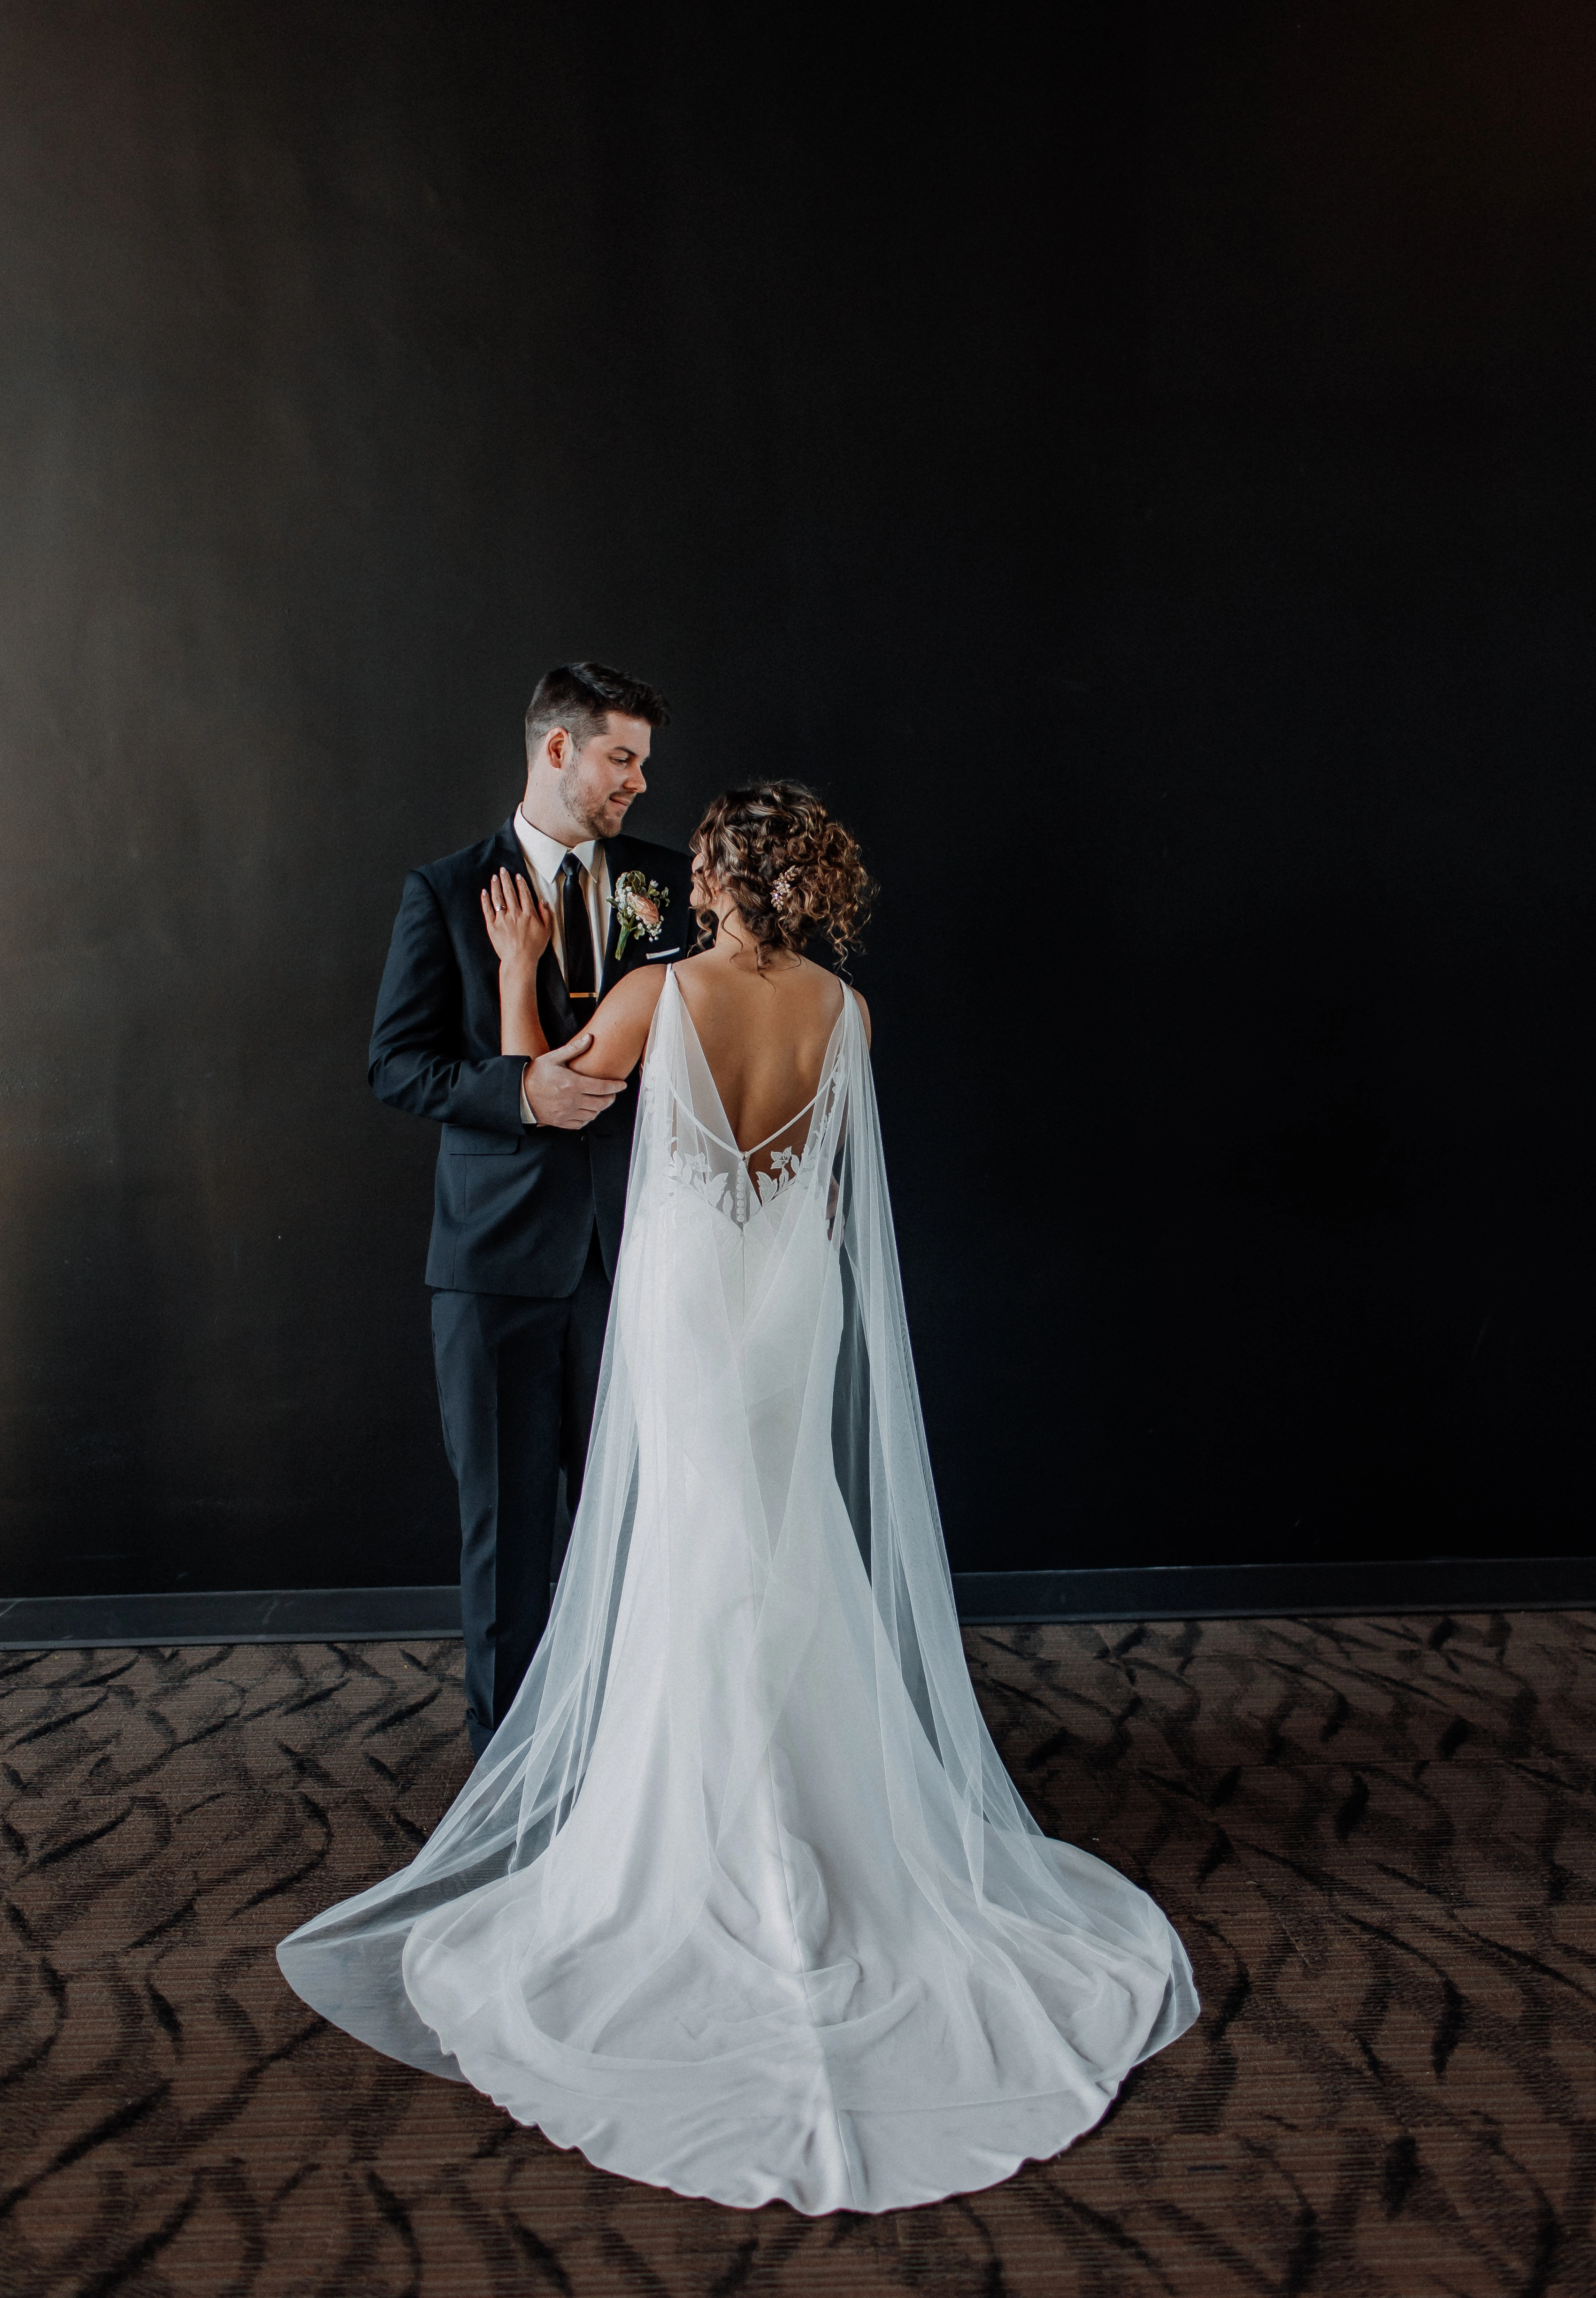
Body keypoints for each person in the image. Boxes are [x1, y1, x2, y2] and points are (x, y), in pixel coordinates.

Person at [283, 780, 1197, 2214]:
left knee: (700, 1554)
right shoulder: (844, 1011)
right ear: (809, 883)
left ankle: (717, 1842)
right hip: (790, 1304)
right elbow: (829, 1193)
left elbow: (552, 1095)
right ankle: (826, 1829)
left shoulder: (657, 991)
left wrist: (518, 974)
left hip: (693, 1301)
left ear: (711, 875)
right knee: (779, 1543)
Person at [367, 662, 693, 1756]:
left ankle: (635, 1771)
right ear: (556, 749)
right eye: (621, 757)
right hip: (495, 1259)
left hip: (641, 1249)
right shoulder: (447, 890)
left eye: (642, 761)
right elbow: (397, 1065)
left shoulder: (671, 881)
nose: (640, 782)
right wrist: (520, 1091)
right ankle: (506, 1781)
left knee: (642, 1522)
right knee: (505, 1530)